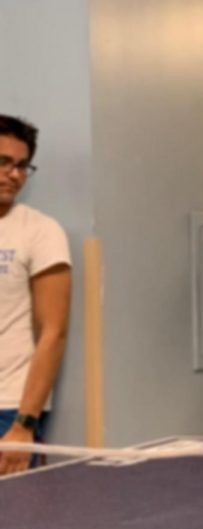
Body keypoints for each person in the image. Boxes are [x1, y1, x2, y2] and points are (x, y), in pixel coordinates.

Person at [0, 115, 71, 474]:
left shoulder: (41, 232)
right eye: (3, 162)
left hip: (9, 412)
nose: (13, 174)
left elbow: (53, 333)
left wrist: (23, 425)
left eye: (22, 165)